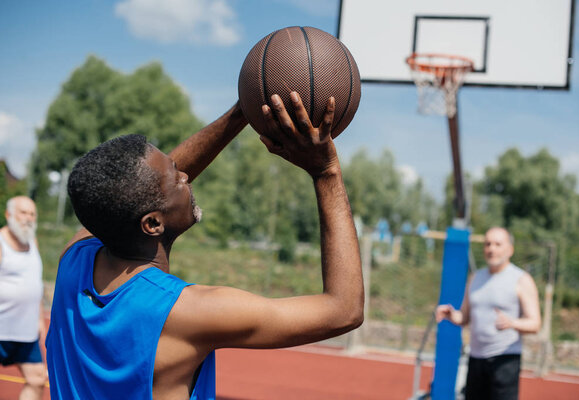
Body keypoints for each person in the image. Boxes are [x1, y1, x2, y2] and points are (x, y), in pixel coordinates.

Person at [46, 92, 364, 399]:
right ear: (153, 224)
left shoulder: (73, 263)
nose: (186, 176)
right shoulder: (185, 312)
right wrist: (326, 172)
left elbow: (131, 195)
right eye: (177, 179)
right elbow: (343, 311)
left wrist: (242, 112)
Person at [436, 227, 541, 400]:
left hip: (504, 360)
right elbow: (464, 317)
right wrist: (451, 315)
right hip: (476, 359)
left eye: (498, 244)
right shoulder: (476, 278)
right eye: (488, 244)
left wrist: (512, 323)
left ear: (510, 249)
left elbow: (535, 323)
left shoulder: (521, 279)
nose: (491, 249)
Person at [0, 196, 47, 400]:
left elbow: (34, 283)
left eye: (32, 213)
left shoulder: (32, 242)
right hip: (2, 328)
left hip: (25, 332)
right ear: (9, 215)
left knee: (37, 379)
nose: (28, 218)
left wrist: (39, 320)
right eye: (23, 212)